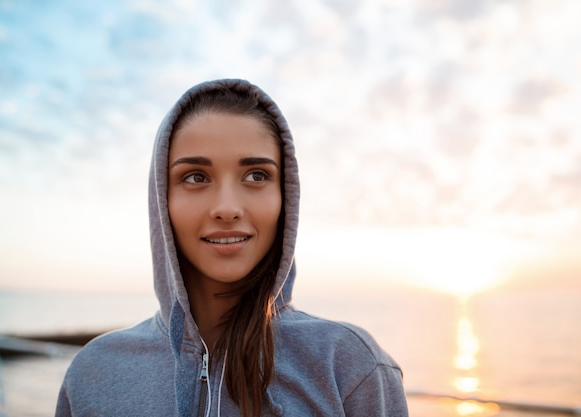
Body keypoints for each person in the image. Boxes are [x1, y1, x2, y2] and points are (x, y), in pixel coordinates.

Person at [55, 79, 408, 417]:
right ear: (162, 200)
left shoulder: (350, 366)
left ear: (286, 199)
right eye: (196, 177)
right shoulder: (94, 373)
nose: (227, 207)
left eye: (256, 175)